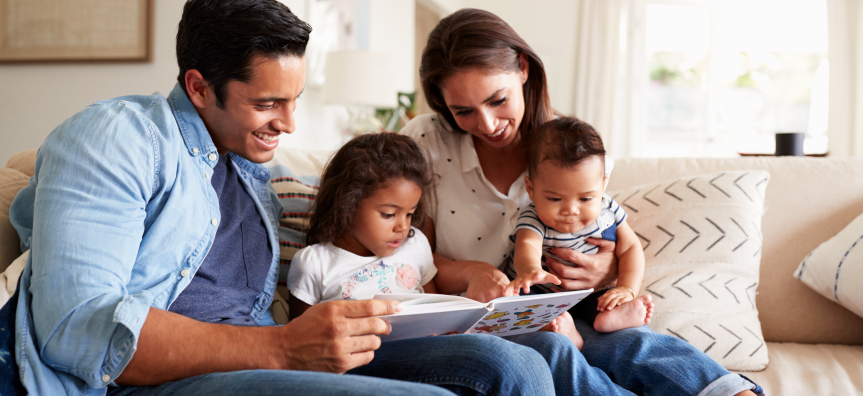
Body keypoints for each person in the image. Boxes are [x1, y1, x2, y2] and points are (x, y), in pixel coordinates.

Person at [4, 1, 559, 395]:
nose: (289, 123)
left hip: (270, 354)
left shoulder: (255, 168)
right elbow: (75, 326)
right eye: (270, 103)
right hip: (156, 381)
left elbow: (350, 212)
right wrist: (282, 349)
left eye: (295, 100)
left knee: (514, 366)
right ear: (199, 87)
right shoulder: (116, 137)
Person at [401, 7, 763, 396]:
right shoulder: (427, 143)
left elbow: (603, 231)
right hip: (474, 319)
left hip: (562, 305)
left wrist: (604, 274)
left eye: (497, 100)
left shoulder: (571, 149)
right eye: (463, 111)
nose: (487, 124)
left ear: (523, 68)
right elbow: (407, 258)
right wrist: (472, 271)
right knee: (554, 350)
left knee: (633, 343)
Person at [505, 117, 654, 350]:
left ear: (603, 186)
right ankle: (565, 330)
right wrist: (530, 270)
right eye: (554, 199)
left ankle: (614, 317)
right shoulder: (533, 217)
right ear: (531, 188)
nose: (571, 210)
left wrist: (625, 289)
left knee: (606, 301)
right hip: (542, 292)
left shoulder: (608, 209)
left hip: (589, 293)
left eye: (585, 198)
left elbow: (631, 248)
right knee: (517, 306)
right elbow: (528, 245)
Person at [287, 132, 439, 316]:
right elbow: (299, 333)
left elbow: (437, 308)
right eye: (388, 214)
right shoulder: (314, 264)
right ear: (347, 205)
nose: (403, 227)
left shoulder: (416, 244)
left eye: (409, 214)